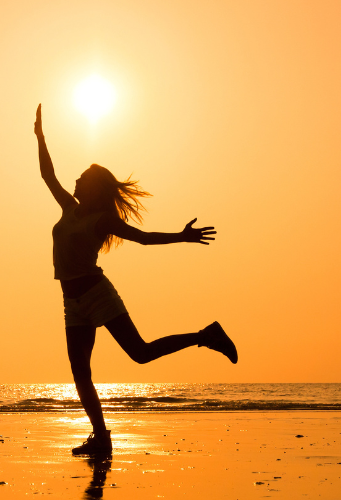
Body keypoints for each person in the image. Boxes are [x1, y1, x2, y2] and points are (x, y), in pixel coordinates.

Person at [34, 104, 237, 456]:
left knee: (140, 353)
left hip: (97, 294)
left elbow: (143, 238)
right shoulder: (69, 208)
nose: (76, 180)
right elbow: (47, 175)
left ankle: (206, 335)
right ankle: (101, 437)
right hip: (72, 302)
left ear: (95, 188)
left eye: (83, 178)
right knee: (80, 370)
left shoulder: (101, 220)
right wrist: (41, 137)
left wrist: (180, 236)